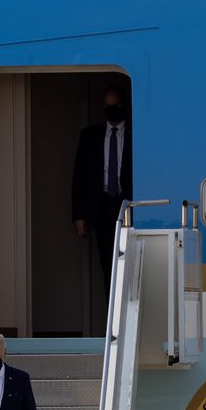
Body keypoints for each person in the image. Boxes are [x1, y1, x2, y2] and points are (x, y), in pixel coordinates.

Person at [72, 85, 133, 289]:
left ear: (123, 106)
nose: (110, 109)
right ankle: (111, 316)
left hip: (129, 205)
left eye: (114, 105)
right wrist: (79, 214)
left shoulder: (136, 134)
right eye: (106, 106)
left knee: (131, 263)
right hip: (102, 206)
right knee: (108, 266)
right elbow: (79, 176)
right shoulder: (90, 135)